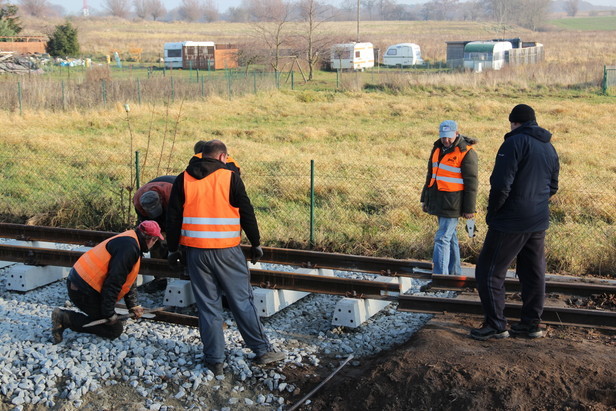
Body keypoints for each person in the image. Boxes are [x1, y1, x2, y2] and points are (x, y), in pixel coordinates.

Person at [166, 139, 285, 376]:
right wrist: (256, 242)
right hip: (227, 252)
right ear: (222, 157)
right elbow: (246, 211)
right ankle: (261, 351)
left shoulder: (184, 178)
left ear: (201, 156)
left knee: (208, 306)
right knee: (242, 301)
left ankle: (215, 360)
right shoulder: (230, 177)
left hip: (196, 253)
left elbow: (173, 216)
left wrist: (172, 249)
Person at [471, 104, 559, 341]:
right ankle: (532, 325)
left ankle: (496, 325)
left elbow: (501, 184)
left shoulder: (513, 143)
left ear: (513, 122)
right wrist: (535, 203)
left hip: (511, 220)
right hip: (538, 220)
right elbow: (553, 186)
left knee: (489, 272)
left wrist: (494, 212)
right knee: (533, 272)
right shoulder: (548, 146)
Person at [51, 221, 164, 344]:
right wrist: (109, 314)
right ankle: (65, 318)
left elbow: (129, 278)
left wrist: (133, 305)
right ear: (151, 239)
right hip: (82, 291)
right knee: (114, 329)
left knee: (112, 318)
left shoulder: (131, 238)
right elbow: (113, 283)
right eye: (156, 240)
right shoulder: (130, 249)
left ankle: (71, 317)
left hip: (81, 284)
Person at [421, 120, 478, 276]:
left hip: (453, 203)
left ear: (456, 134)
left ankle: (440, 277)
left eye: (449, 137)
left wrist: (469, 209)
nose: (446, 140)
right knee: (449, 237)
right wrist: (425, 199)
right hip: (438, 200)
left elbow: (471, 183)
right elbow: (430, 175)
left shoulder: (466, 152)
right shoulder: (437, 148)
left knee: (442, 239)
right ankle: (453, 274)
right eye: (443, 137)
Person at [133, 175, 175, 259]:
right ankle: (158, 262)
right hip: (163, 198)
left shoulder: (173, 195)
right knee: (154, 238)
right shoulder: (137, 202)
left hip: (173, 200)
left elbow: (176, 220)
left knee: (177, 236)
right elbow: (146, 226)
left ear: (161, 200)